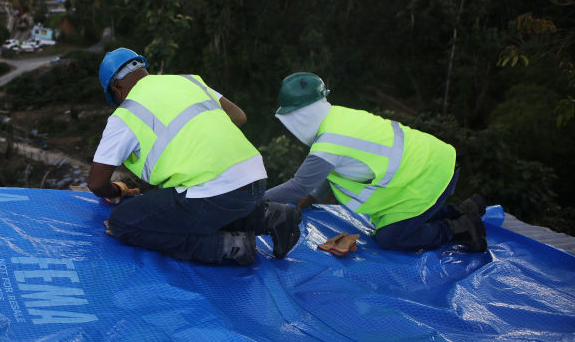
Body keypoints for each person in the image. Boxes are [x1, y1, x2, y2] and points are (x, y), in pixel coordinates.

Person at [86, 48, 302, 265]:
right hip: (254, 180)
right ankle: (270, 215)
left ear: (116, 89)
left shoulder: (126, 114)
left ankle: (229, 247)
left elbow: (96, 183)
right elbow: (239, 117)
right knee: (208, 209)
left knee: (123, 223)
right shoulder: (187, 81)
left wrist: (115, 191)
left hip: (213, 194)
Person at [264, 72, 487, 252]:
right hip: (431, 165)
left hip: (429, 176)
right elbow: (325, 175)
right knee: (402, 220)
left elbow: (298, 185)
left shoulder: (330, 141)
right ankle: (465, 209)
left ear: (298, 116)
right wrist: (311, 198)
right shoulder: (339, 118)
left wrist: (254, 201)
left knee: (392, 237)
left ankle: (461, 228)